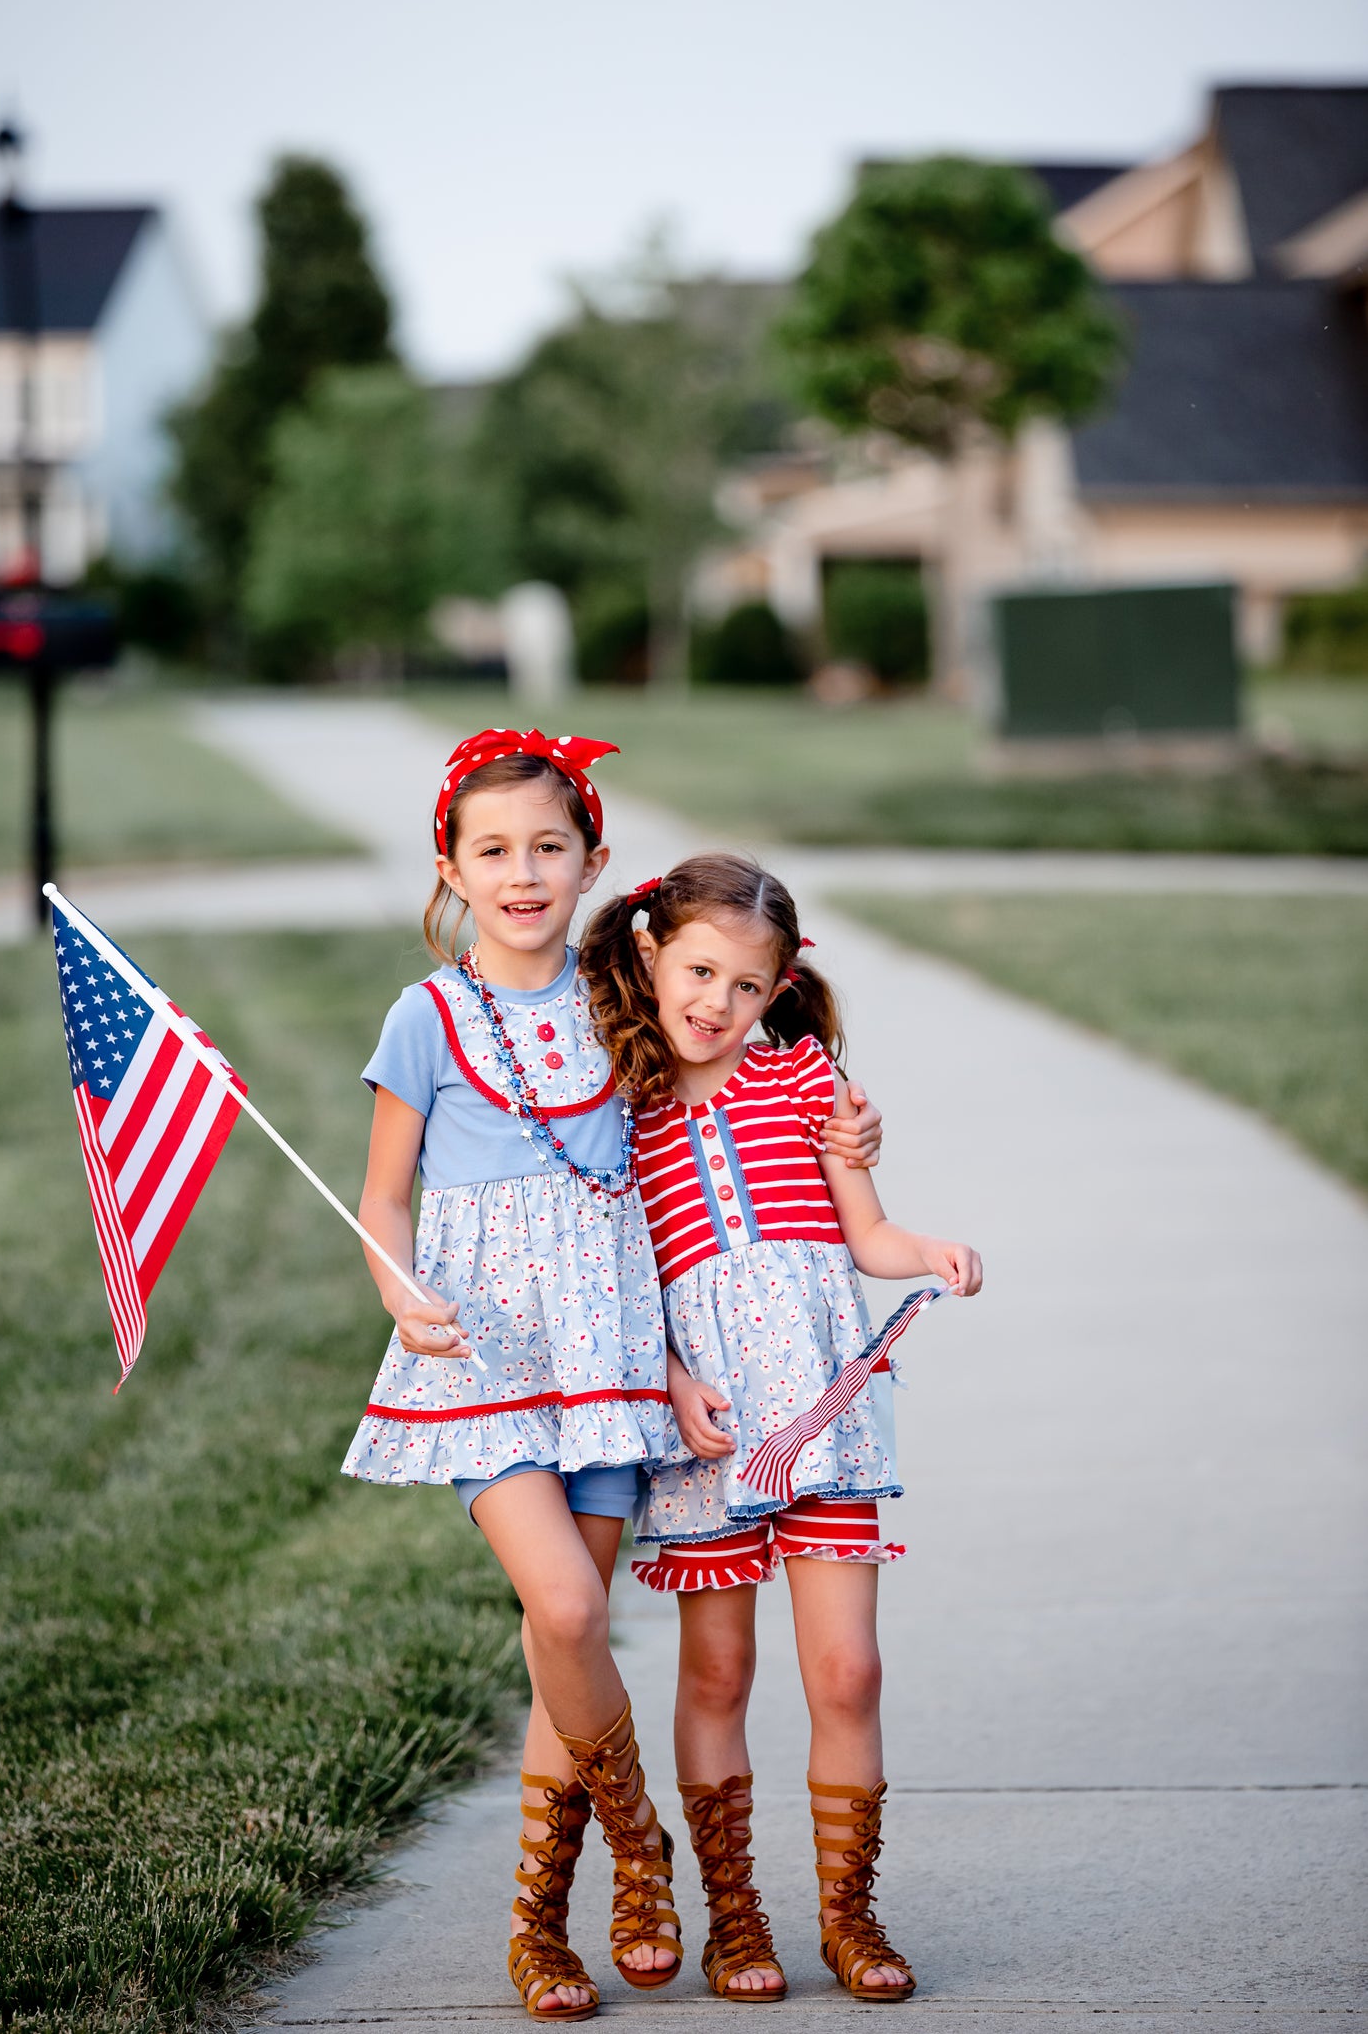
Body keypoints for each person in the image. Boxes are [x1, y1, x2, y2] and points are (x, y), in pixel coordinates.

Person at [341, 737, 885, 2023]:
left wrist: (848, 1129)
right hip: (484, 1351)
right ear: (450, 870)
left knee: (557, 1641)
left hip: (610, 1360)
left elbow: (732, 1082)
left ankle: (541, 1924)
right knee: (571, 1612)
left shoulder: (621, 1004)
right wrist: (398, 1287)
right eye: (493, 850)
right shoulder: (424, 1016)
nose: (522, 873)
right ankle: (639, 1841)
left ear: (595, 864)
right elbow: (379, 1195)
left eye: (548, 846)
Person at [579, 854, 982, 2006]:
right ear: (652, 951)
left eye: (748, 984)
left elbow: (866, 1236)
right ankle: (735, 1919)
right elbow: (621, 1280)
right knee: (718, 1668)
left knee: (846, 1668)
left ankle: (851, 1916)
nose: (718, 1001)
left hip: (822, 1412)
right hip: (708, 1428)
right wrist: (665, 1377)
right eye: (701, 969)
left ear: (777, 989)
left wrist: (931, 1250)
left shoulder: (806, 1084)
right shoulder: (620, 1106)